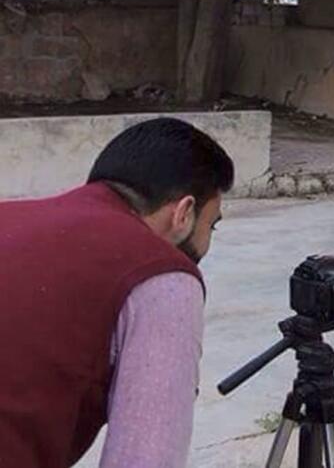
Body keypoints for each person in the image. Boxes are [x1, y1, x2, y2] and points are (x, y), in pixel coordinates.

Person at [0, 118, 234, 467]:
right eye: (211, 225)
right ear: (184, 213)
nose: (207, 241)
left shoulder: (10, 216)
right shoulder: (163, 276)